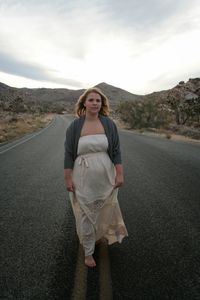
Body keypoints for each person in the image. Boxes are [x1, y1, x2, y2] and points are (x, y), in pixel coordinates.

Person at [64, 87, 128, 268]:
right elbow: (68, 153)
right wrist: (68, 178)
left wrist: (120, 173)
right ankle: (88, 252)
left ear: (102, 104)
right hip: (82, 176)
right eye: (91, 100)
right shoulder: (75, 126)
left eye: (98, 101)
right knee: (86, 212)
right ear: (84, 103)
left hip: (105, 174)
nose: (94, 103)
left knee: (103, 208)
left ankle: (98, 236)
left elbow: (115, 150)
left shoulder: (108, 124)